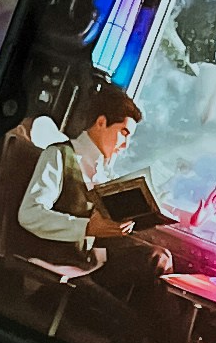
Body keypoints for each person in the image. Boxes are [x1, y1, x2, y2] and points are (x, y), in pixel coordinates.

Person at [16, 80, 146, 256]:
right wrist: (86, 227)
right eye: (124, 133)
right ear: (101, 122)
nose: (125, 145)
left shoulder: (106, 174)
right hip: (57, 257)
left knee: (158, 257)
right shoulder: (58, 155)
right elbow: (29, 214)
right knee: (155, 259)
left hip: (93, 258)